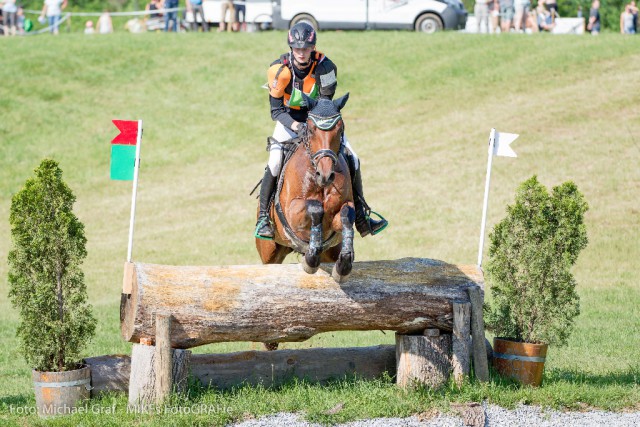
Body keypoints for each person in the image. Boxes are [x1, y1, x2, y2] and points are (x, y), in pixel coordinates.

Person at [255, 23, 388, 240]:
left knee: (353, 158)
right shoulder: (279, 70)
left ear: (313, 47)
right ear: (291, 47)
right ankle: (263, 218)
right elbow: (276, 111)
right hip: (289, 121)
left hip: (319, 122)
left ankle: (362, 216)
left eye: (306, 48)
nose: (301, 53)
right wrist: (296, 126)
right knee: (275, 162)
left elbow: (325, 105)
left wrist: (314, 127)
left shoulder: (325, 68)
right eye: (297, 48)